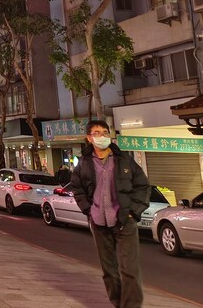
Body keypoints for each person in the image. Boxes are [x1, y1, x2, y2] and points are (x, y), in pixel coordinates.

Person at [69, 119, 149, 308]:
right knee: (109, 271)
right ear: (89, 138)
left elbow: (143, 186)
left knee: (130, 270)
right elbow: (77, 187)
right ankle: (118, 303)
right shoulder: (84, 163)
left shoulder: (123, 160)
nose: (102, 137)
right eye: (97, 133)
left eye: (105, 133)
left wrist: (133, 213)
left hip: (124, 221)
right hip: (99, 222)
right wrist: (88, 209)